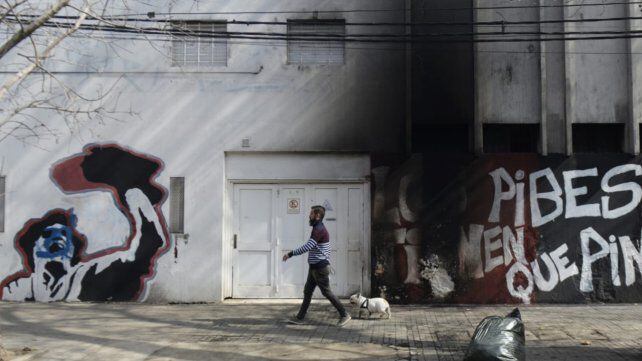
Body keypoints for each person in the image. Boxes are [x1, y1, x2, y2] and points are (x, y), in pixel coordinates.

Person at [282, 205, 351, 327]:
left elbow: (308, 246)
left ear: (317, 216)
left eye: (311, 214)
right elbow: (324, 248)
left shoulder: (318, 229)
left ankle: (344, 314)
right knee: (308, 291)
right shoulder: (318, 228)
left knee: (326, 292)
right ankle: (300, 317)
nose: (309, 216)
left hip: (320, 268)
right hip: (314, 267)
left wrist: (290, 254)